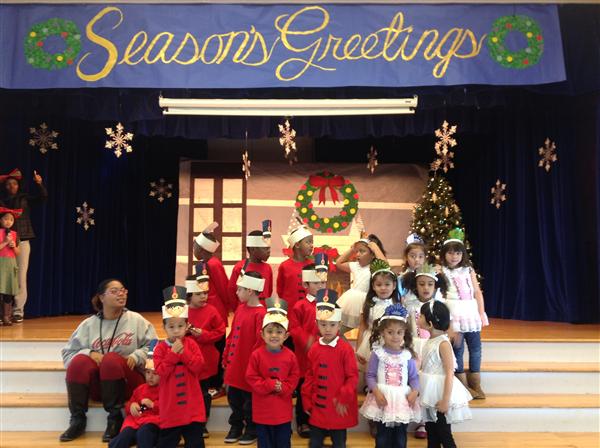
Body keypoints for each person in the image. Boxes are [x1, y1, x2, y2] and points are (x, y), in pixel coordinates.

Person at [60, 279, 157, 442]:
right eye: (114, 291)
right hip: (99, 386)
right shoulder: (88, 325)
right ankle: (77, 419)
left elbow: (154, 347)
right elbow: (67, 354)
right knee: (79, 361)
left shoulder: (136, 320)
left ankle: (115, 418)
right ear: (101, 297)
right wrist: (89, 353)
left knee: (111, 360)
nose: (121, 294)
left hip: (128, 384)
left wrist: (136, 356)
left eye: (123, 290)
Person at [302, 289, 358, 448]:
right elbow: (309, 376)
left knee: (339, 443)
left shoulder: (345, 349)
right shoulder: (314, 348)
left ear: (339, 325)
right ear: (317, 324)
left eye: (332, 325)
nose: (327, 329)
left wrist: (344, 396)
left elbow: (352, 376)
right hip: (318, 407)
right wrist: (306, 399)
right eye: (323, 324)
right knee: (314, 443)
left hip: (338, 407)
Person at [360, 304, 421, 448]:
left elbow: (413, 377)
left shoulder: (407, 355)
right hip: (383, 398)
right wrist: (376, 392)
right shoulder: (378, 354)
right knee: (382, 436)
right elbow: (370, 375)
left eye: (399, 332)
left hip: (402, 400)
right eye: (390, 332)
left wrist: (415, 391)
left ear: (404, 333)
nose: (395, 336)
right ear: (382, 332)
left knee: (400, 437)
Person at [154, 286, 206, 448]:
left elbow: (198, 367)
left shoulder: (191, 344)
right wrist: (173, 354)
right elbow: (161, 371)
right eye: (171, 327)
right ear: (164, 327)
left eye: (180, 326)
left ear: (186, 326)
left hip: (192, 407)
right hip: (171, 408)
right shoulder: (160, 348)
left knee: (195, 442)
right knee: (167, 443)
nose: (176, 331)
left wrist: (183, 353)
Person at [440, 228, 488, 399]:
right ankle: (463, 385)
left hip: (470, 312)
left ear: (463, 255)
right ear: (444, 254)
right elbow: (440, 295)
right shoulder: (441, 271)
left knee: (475, 348)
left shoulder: (468, 270)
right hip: (454, 313)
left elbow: (477, 291)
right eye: (450, 253)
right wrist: (447, 321)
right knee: (457, 349)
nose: (454, 256)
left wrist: (481, 312)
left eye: (458, 253)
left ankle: (475, 382)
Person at [246, 298, 300, 448]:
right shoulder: (256, 355)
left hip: (282, 412)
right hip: (262, 412)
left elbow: (294, 377)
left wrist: (283, 387)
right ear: (262, 334)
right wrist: (269, 384)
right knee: (265, 443)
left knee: (283, 442)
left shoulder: (291, 356)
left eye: (279, 332)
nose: (274, 335)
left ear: (286, 336)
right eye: (269, 331)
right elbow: (251, 377)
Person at [418, 301, 472, 448]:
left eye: (421, 315)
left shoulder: (443, 343)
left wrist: (445, 400)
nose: (418, 317)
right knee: (431, 431)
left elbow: (449, 372)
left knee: (444, 433)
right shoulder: (429, 341)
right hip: (429, 392)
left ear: (430, 323)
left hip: (440, 394)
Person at [223, 271, 266, 445]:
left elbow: (259, 343)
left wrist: (252, 366)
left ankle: (251, 428)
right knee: (234, 398)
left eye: (239, 289)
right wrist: (226, 355)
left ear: (250, 290)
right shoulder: (241, 308)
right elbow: (232, 334)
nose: (236, 292)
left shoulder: (261, 314)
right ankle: (236, 426)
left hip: (248, 367)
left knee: (249, 402)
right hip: (235, 366)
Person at [288, 253, 328, 438]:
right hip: (305, 357)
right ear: (305, 285)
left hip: (324, 354)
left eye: (323, 282)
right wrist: (308, 341)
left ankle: (321, 421)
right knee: (305, 388)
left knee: (323, 387)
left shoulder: (328, 304)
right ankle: (303, 421)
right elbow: (294, 328)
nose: (321, 286)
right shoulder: (300, 306)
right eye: (316, 283)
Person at [0, 168, 47, 323]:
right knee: (2, 277)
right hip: (3, 242)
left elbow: (43, 197)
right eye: (8, 184)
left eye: (14, 183)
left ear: (18, 185)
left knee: (20, 277)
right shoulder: (1, 200)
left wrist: (39, 184)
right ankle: (3, 313)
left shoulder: (24, 198)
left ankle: (18, 311)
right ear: (5, 186)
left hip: (23, 240)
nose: (11, 186)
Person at [185, 261, 226, 438]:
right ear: (189, 295)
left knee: (203, 393)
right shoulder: (183, 312)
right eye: (199, 294)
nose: (204, 297)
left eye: (205, 293)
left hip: (206, 361)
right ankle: (188, 421)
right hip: (187, 361)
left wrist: (203, 334)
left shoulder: (211, 311)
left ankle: (202, 423)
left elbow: (220, 331)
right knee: (189, 392)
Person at [192, 221, 229, 396]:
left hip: (215, 312)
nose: (193, 248)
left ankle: (218, 383)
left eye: (195, 246)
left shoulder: (213, 264)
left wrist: (227, 309)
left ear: (202, 249)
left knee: (218, 348)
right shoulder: (204, 263)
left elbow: (223, 288)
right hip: (205, 311)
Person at [109, 340, 160, 448]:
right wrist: (131, 406)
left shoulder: (165, 390)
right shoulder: (140, 389)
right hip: (135, 422)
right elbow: (130, 404)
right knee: (124, 436)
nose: (150, 376)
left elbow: (168, 408)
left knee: (144, 434)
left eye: (155, 373)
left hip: (151, 423)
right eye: (148, 372)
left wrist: (153, 405)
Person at [336, 233, 387, 334]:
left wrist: (376, 248)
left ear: (372, 254)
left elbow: (386, 267)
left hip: (368, 304)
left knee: (367, 333)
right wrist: (352, 249)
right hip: (351, 304)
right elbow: (339, 263)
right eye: (357, 251)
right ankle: (345, 345)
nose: (357, 254)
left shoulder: (375, 267)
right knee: (337, 331)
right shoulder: (356, 266)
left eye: (362, 251)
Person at [228, 220, 273, 308]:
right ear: (253, 250)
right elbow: (232, 292)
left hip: (263, 311)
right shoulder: (240, 267)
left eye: (269, 248)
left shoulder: (268, 268)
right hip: (244, 311)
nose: (269, 251)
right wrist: (238, 310)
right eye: (265, 248)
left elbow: (269, 292)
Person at [277, 225, 313, 313]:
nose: (311, 245)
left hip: (308, 310)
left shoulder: (312, 265)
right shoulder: (284, 266)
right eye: (308, 242)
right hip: (289, 310)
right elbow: (280, 290)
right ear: (297, 245)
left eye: (312, 242)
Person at [0, 207, 22, 326]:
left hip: (10, 264)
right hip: (1, 263)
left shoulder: (15, 234)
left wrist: (13, 246)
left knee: (8, 291)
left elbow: (18, 252)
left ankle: (6, 317)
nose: (8, 221)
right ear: (1, 220)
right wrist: (5, 242)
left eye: (11, 220)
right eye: (6, 219)